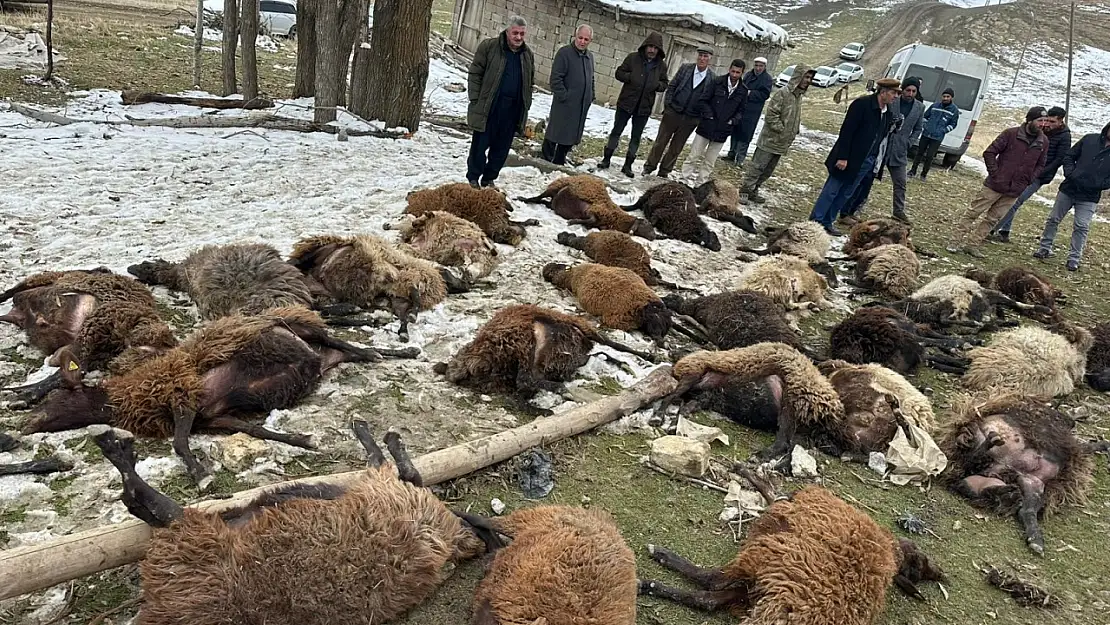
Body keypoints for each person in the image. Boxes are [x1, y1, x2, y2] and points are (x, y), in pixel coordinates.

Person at [947, 106, 1048, 258]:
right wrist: (995, 173)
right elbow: (990, 152)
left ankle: (973, 245)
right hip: (994, 185)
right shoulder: (1011, 134)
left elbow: (1041, 164)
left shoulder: (1043, 142)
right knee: (973, 212)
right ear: (1029, 120)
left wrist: (1029, 179)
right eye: (1039, 120)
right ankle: (955, 241)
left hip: (1015, 189)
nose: (1043, 124)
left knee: (993, 219)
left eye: (1045, 121)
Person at [809, 77, 900, 236]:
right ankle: (816, 222)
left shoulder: (888, 113)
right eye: (893, 93)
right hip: (849, 157)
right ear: (883, 92)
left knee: (846, 193)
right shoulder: (862, 104)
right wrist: (842, 157)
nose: (896, 96)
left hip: (867, 160)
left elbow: (881, 138)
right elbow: (847, 131)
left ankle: (827, 222)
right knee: (832, 190)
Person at [841, 76, 924, 224]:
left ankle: (898, 212)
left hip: (900, 150)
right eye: (907, 90)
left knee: (901, 182)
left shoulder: (919, 107)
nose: (910, 94)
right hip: (881, 146)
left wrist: (909, 142)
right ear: (902, 90)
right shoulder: (892, 101)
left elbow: (918, 128)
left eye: (913, 91)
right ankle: (848, 211)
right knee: (864, 181)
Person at [466, 16, 535, 189]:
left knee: (501, 150)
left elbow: (529, 81)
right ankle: (474, 177)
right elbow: (475, 73)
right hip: (489, 107)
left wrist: (527, 102)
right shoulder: (489, 47)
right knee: (479, 146)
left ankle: (489, 178)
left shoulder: (527, 55)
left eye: (522, 34)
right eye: (515, 33)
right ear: (507, 31)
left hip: (512, 111)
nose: (518, 37)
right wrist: (476, 98)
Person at [1033, 121, 1110, 271]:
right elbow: (1069, 156)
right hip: (1069, 189)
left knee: (1082, 226)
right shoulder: (1089, 139)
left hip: (1089, 196)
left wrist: (1100, 184)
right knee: (1053, 219)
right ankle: (1044, 248)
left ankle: (1074, 258)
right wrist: (1070, 173)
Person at [989, 106, 1071, 243]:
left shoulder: (1065, 136)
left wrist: (1039, 172)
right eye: (1047, 121)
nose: (1048, 124)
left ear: (1060, 121)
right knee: (1010, 198)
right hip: (1023, 171)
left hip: (1038, 176)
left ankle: (993, 229)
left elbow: (1059, 159)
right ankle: (1004, 231)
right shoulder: (1041, 129)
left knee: (1016, 200)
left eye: (1052, 122)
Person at [739, 65, 815, 205]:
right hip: (770, 139)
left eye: (810, 78)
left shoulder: (798, 96)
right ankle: (745, 191)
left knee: (768, 171)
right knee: (757, 167)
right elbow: (771, 115)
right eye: (806, 77)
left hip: (782, 143)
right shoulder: (783, 93)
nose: (808, 80)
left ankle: (754, 190)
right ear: (798, 76)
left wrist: (793, 131)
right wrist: (781, 129)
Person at [599, 32, 668, 178]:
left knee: (636, 137)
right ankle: (606, 159)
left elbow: (664, 84)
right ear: (645, 46)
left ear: (659, 50)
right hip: (626, 103)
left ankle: (628, 165)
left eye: (655, 48)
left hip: (644, 107)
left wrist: (657, 84)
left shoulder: (661, 66)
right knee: (616, 131)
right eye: (650, 46)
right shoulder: (633, 58)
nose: (652, 50)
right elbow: (619, 73)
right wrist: (630, 77)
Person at [642, 47, 715, 179]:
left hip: (691, 119)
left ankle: (664, 171)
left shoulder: (712, 78)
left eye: (706, 56)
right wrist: (668, 105)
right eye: (700, 55)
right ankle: (649, 167)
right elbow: (672, 86)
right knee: (661, 141)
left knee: (677, 147)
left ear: (710, 59)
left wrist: (699, 116)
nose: (702, 59)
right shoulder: (686, 68)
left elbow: (709, 100)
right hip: (673, 113)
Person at [681, 59, 748, 184]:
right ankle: (683, 180)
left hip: (723, 130)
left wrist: (733, 121)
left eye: (737, 72)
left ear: (742, 73)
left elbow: (742, 111)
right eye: (732, 71)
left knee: (709, 162)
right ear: (729, 69)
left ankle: (700, 184)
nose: (734, 75)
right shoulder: (717, 82)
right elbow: (703, 100)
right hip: (706, 126)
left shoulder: (743, 90)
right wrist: (708, 115)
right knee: (693, 156)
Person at [541, 25, 595, 165]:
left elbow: (591, 78)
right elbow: (555, 79)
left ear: (590, 41)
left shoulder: (589, 57)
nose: (582, 42)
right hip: (564, 103)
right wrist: (564, 95)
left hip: (580, 105)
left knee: (571, 135)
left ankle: (560, 159)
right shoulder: (565, 53)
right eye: (580, 38)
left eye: (586, 39)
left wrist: (590, 95)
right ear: (575, 36)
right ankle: (546, 159)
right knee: (556, 131)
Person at [726, 56, 773, 166]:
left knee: (746, 135)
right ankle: (731, 153)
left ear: (764, 67)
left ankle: (740, 159)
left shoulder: (767, 79)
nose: (758, 68)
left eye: (760, 66)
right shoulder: (748, 75)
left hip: (753, 111)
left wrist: (750, 93)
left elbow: (765, 94)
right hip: (741, 108)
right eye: (756, 65)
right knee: (736, 130)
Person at [908, 87, 959, 180]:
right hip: (926, 134)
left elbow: (953, 124)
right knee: (919, 153)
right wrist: (925, 125)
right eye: (944, 96)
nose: (945, 98)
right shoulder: (935, 106)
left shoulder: (954, 110)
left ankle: (923, 174)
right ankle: (912, 171)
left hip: (937, 137)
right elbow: (925, 116)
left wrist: (943, 130)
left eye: (948, 96)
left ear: (951, 98)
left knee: (930, 156)